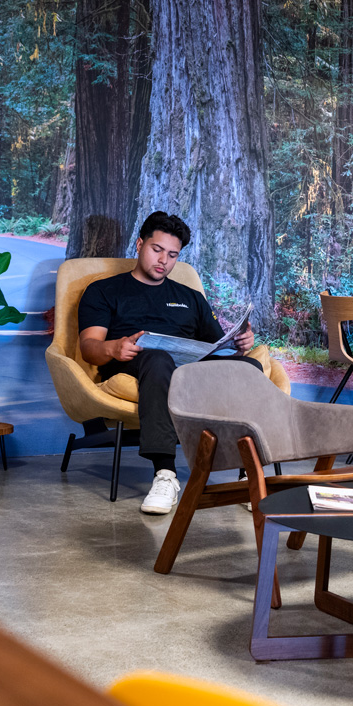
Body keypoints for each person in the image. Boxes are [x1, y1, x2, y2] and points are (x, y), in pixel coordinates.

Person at [78, 211, 258, 514]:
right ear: (139, 245)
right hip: (134, 362)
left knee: (249, 369)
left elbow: (217, 346)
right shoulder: (104, 290)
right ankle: (165, 474)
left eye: (172, 255)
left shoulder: (190, 297)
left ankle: (246, 473)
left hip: (188, 368)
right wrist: (112, 348)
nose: (163, 260)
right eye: (156, 250)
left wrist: (240, 343)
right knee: (159, 358)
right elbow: (88, 348)